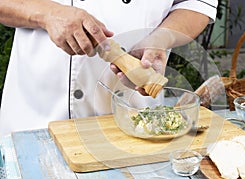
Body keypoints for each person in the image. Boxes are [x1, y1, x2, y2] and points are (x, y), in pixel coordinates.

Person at [0, 0, 217, 138]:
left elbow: (196, 4)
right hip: (33, 119)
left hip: (132, 121)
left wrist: (162, 38)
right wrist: (48, 13)